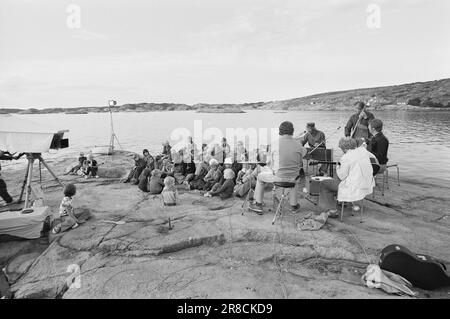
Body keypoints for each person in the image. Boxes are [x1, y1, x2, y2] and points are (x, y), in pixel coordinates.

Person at [249, 121, 306, 215]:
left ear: (280, 131)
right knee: (295, 179)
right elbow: (300, 161)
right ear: (292, 131)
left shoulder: (274, 144)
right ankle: (294, 206)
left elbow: (269, 163)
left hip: (279, 178)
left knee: (260, 177)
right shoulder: (299, 145)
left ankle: (258, 204)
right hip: (293, 178)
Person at [318, 137, 375, 216]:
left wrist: (338, 167)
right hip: (367, 184)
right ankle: (340, 201)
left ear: (344, 148)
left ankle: (332, 210)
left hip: (354, 187)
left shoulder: (346, 157)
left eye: (341, 148)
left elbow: (342, 176)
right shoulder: (363, 151)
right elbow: (373, 158)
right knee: (338, 178)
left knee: (324, 184)